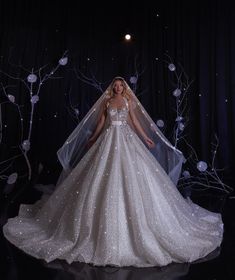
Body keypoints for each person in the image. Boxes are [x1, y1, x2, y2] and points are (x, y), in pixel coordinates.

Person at [3, 77, 223, 268]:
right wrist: (93, 137)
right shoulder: (108, 102)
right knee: (98, 175)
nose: (118, 88)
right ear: (113, 88)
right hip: (108, 139)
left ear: (124, 88)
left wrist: (145, 137)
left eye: (121, 85)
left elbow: (134, 121)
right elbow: (101, 122)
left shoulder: (127, 101)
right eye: (116, 85)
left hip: (126, 140)